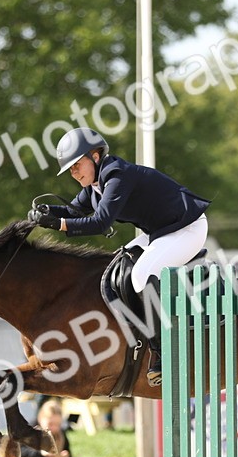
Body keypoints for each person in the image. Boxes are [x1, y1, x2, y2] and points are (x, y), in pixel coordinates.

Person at [28, 127, 211, 386]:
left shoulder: (116, 175)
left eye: (77, 165)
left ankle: (165, 351)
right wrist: (46, 213)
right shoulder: (95, 185)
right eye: (70, 169)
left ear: (95, 156)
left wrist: (58, 224)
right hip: (161, 232)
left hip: (187, 227)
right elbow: (73, 210)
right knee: (116, 267)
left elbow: (100, 222)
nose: (74, 173)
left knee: (141, 274)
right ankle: (140, 334)